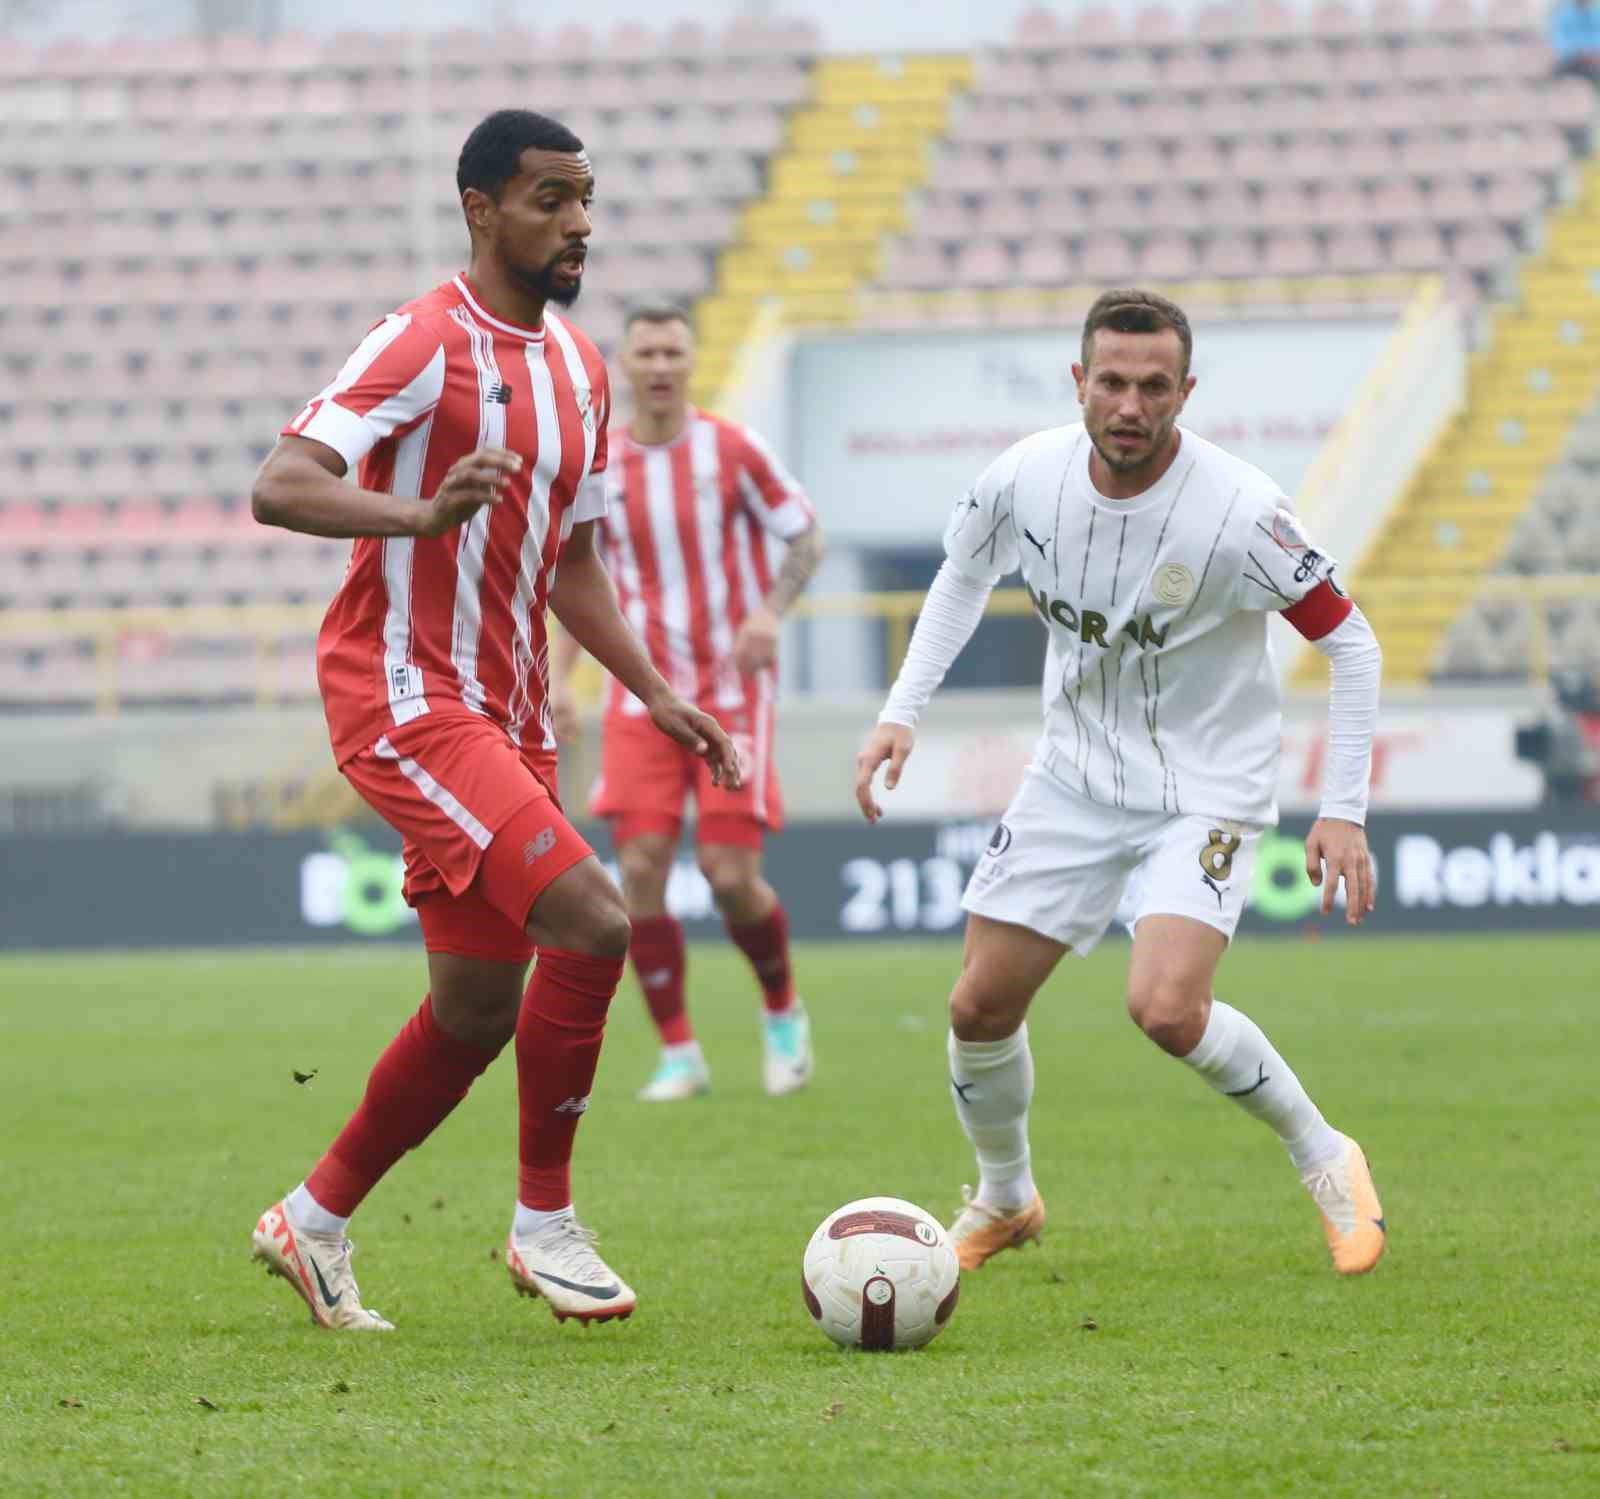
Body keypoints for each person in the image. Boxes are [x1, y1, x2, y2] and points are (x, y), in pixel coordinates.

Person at [246, 110, 739, 1332]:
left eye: (585, 197)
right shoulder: (421, 341)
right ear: (480, 208)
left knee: (475, 1006)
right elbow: (282, 482)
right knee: (593, 915)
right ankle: (545, 1222)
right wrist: (413, 517)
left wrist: (656, 689)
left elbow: (573, 556)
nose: (577, 222)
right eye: (548, 198)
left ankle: (310, 1219)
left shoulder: (580, 369)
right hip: (407, 695)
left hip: (512, 717)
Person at [853, 289, 1388, 1278]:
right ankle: (1006, 1197)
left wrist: (1342, 807)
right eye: (1111, 382)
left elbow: (1349, 641)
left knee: (1166, 1008)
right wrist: (901, 709)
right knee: (977, 1008)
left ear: (1185, 392)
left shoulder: (1241, 512)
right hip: (1071, 779)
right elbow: (963, 574)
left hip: (1206, 789)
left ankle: (1325, 1154)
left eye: (1153, 386)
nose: (1130, 405)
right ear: (1079, 383)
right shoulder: (1024, 477)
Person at [551, 305, 825, 1102]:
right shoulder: (598, 462)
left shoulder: (731, 449)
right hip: (642, 694)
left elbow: (805, 537)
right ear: (626, 365)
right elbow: (578, 575)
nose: (662, 365)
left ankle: (781, 1009)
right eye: (648, 352)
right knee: (637, 869)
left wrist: (770, 611)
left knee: (728, 873)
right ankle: (679, 1050)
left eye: (674, 351)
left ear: (691, 361)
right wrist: (562, 678)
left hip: (732, 693)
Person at [1551, 0, 1600, 82]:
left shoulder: (1596, 14)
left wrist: (1593, 52)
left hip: (1594, 60)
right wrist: (1579, 53)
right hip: (1572, 60)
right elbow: (1560, 42)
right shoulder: (1564, 14)